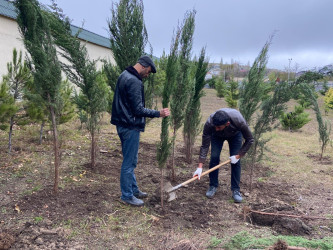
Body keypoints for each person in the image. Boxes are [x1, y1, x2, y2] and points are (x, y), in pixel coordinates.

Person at [111, 55, 170, 206]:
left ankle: (134, 189)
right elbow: (137, 109)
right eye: (148, 71)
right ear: (143, 66)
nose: (148, 75)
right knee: (129, 163)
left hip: (122, 124)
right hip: (130, 126)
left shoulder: (124, 75)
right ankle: (127, 196)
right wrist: (158, 114)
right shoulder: (134, 81)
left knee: (131, 160)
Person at [193, 108, 254, 203]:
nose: (216, 129)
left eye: (219, 127)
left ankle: (236, 190)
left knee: (236, 162)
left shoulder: (239, 121)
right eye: (215, 126)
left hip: (235, 135)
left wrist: (238, 156)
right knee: (214, 157)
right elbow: (204, 146)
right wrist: (200, 167)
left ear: (227, 124)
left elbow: (250, 140)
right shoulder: (210, 123)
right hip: (216, 137)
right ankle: (213, 186)